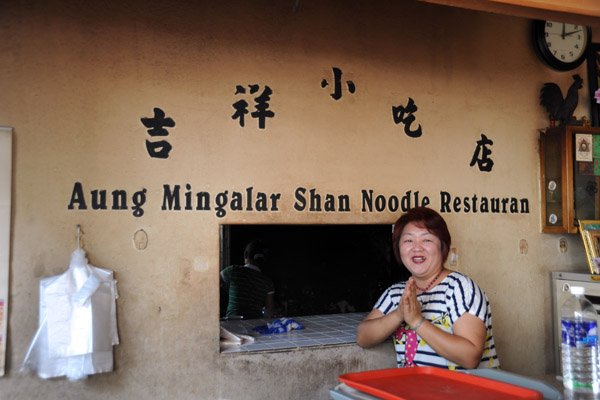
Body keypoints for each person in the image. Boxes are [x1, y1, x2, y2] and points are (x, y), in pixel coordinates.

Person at [356, 207, 499, 370]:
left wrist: (416, 320)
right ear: (399, 248)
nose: (417, 248)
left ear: (443, 246)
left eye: (427, 240)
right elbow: (363, 337)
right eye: (408, 240)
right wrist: (399, 314)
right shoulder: (396, 293)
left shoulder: (459, 288)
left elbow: (470, 357)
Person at [220, 239, 276, 319]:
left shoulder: (233, 271)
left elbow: (213, 281)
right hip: (254, 324)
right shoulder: (268, 282)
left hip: (232, 324)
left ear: (246, 255)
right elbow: (270, 311)